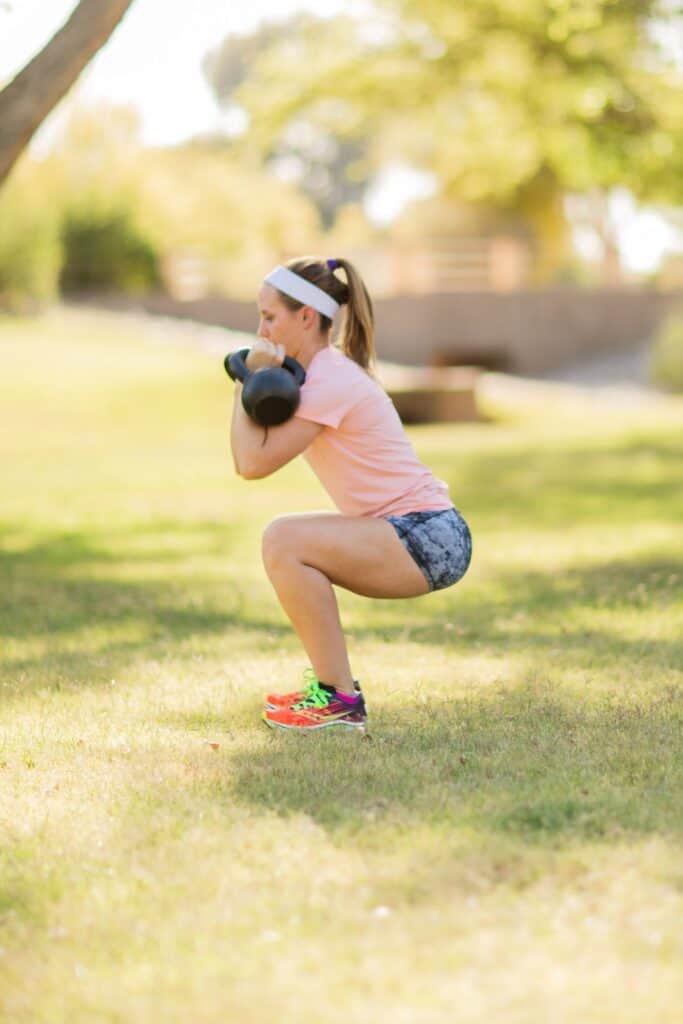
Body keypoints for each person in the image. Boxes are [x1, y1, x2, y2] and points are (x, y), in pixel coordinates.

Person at [229, 256, 472, 732]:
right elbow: (250, 458)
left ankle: (337, 699)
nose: (260, 329)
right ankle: (334, 693)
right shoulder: (317, 376)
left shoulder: (329, 379)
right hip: (413, 532)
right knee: (286, 541)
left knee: (284, 540)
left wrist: (244, 379)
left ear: (305, 317)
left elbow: (251, 463)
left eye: (269, 316)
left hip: (428, 535)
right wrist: (252, 380)